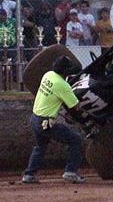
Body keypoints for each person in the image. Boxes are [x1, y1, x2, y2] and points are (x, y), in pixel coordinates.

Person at [22, 56, 85, 184]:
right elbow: (75, 106)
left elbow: (54, 97)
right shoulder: (62, 85)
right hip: (46, 122)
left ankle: (29, 174)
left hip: (35, 118)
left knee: (40, 146)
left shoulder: (48, 75)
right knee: (75, 140)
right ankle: (71, 171)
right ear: (65, 71)